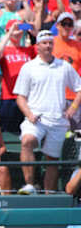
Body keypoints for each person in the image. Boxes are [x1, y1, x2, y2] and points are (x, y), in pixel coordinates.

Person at [13, 30, 81, 194]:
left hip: (58, 121)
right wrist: (29, 114)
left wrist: (73, 108)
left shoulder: (64, 66)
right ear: (37, 46)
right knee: (27, 141)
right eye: (44, 43)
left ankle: (49, 195)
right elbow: (20, 97)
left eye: (50, 42)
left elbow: (79, 89)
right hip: (36, 119)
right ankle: (29, 185)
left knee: (52, 161)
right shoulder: (28, 67)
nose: (48, 46)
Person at [0, 19, 36, 134]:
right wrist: (9, 32)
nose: (17, 33)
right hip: (8, 97)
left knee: (26, 132)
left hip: (26, 97)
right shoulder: (5, 50)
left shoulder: (29, 50)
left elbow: (44, 50)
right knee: (4, 132)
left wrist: (35, 33)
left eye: (19, 30)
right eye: (14, 29)